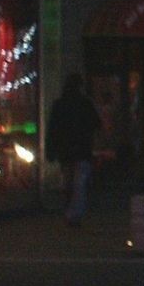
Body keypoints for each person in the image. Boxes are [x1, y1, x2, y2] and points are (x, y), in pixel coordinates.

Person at [46, 73, 101, 225]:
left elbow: (53, 129)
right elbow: (97, 124)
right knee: (79, 183)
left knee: (68, 182)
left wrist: (51, 149)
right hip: (82, 149)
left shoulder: (59, 104)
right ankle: (75, 213)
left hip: (65, 149)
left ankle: (69, 210)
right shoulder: (85, 104)